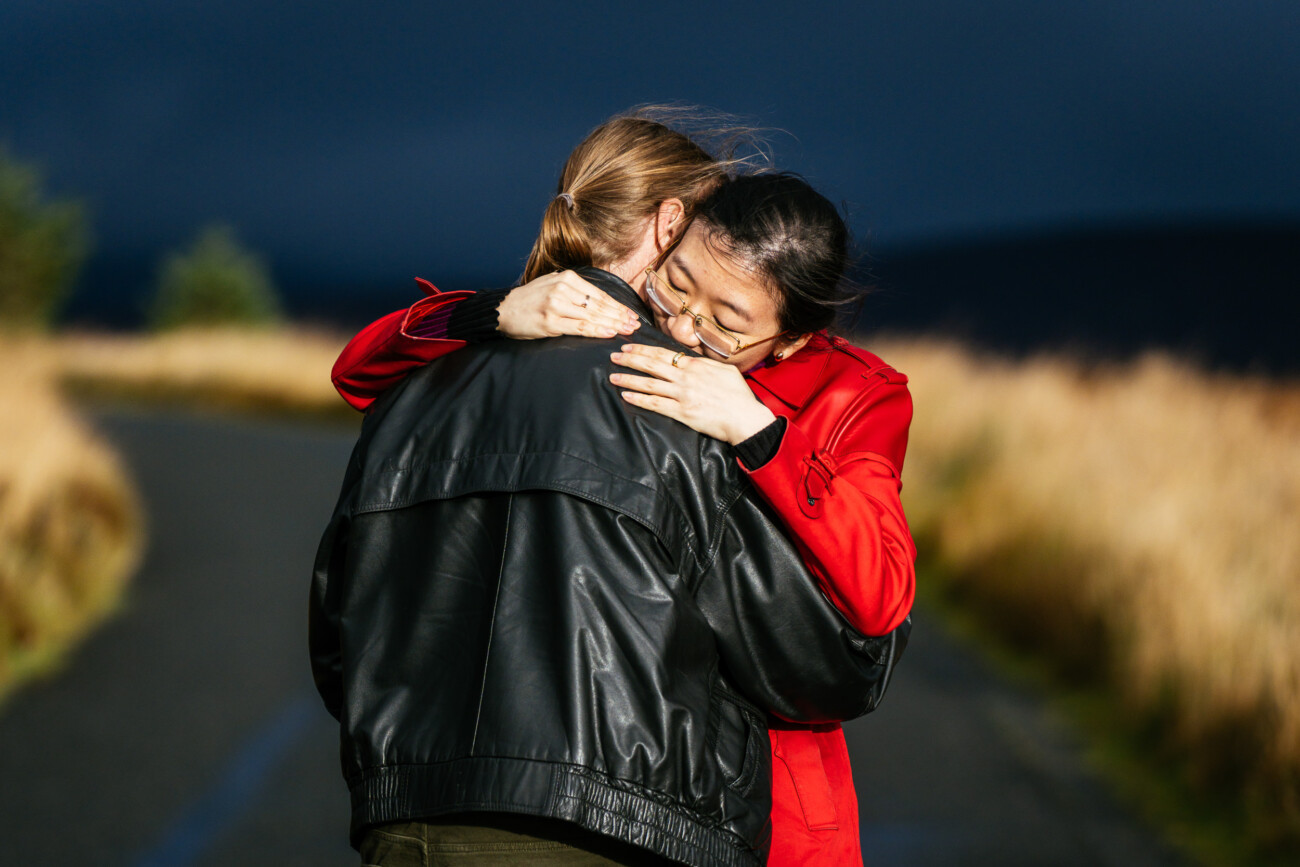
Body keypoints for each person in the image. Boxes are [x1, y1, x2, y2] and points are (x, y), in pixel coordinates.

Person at [331, 112, 916, 866]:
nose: (685, 323)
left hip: (773, 788)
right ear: (675, 232)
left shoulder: (853, 394)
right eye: (678, 282)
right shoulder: (591, 333)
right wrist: (490, 312)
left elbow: (880, 594)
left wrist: (758, 431)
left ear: (794, 336)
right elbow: (358, 373)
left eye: (729, 321)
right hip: (650, 779)